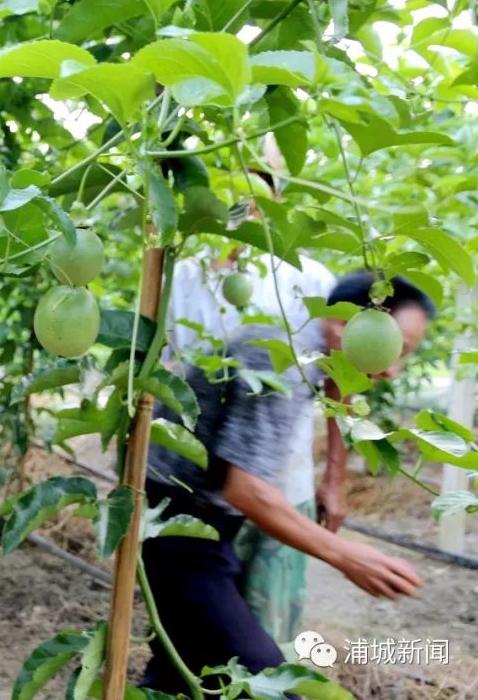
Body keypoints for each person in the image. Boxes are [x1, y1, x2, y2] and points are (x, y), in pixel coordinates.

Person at [140, 271, 434, 694]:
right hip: (175, 526)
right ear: (344, 324)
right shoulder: (283, 363)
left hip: (196, 521)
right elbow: (245, 489)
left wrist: (335, 477)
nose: (393, 369)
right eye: (395, 350)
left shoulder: (302, 353)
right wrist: (347, 556)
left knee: (184, 663)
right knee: (268, 683)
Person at [164, 250, 342, 649]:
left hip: (282, 485)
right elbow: (166, 365)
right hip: (202, 492)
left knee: (267, 631)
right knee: (209, 634)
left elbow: (340, 375)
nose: (246, 205)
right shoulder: (183, 271)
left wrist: (334, 475)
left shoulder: (310, 276)